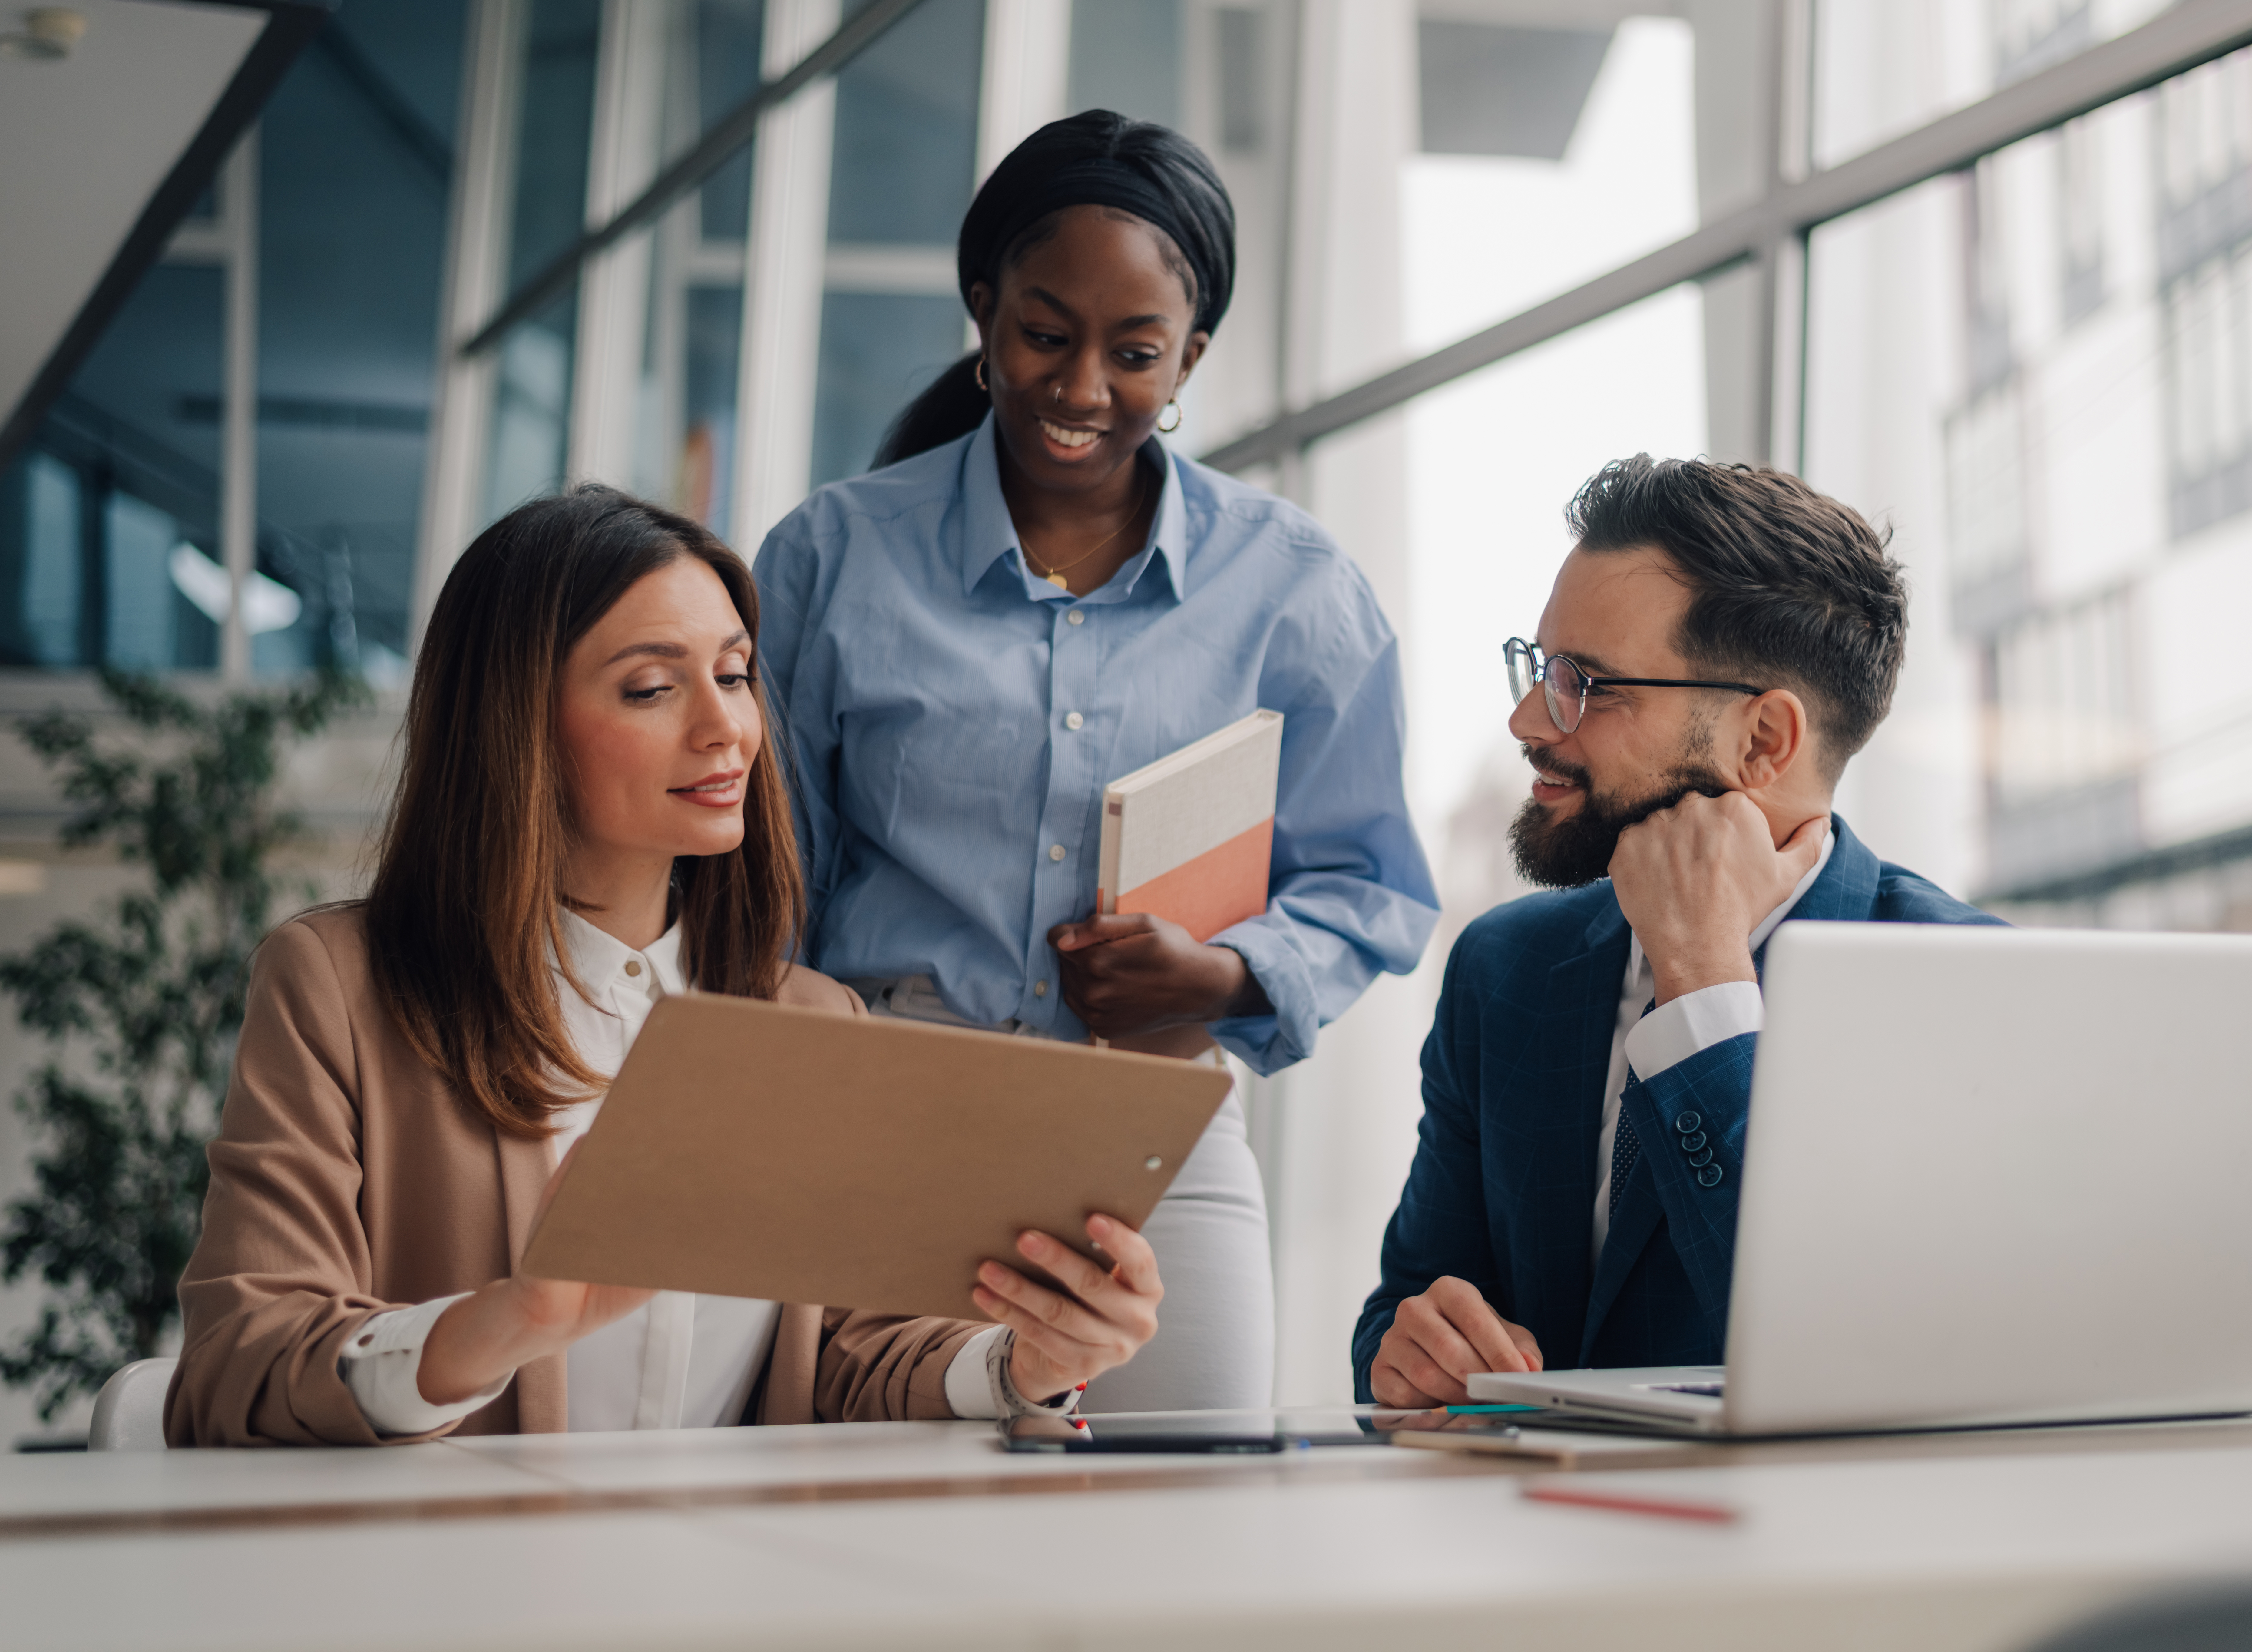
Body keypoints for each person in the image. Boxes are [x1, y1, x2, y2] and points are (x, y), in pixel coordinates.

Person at [167, 486, 1162, 1446]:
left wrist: (1023, 1362)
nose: (725, 727)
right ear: (516, 726)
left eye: (733, 674)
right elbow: (234, 1366)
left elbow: (848, 1357)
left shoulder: (812, 1019)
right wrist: (511, 1321)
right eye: (652, 687)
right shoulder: (338, 987)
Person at [757, 111, 1437, 1412]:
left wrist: (1228, 970)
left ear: (1191, 355)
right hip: (885, 1102)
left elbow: (1373, 883)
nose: (1080, 388)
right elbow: (765, 869)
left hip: (1149, 1129)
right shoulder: (833, 556)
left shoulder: (1295, 587)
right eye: (1044, 332)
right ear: (983, 309)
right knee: (872, 1535)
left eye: (1134, 353)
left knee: (1184, 1530)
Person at [1353, 457, 2002, 1406]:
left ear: (1764, 745)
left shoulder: (1962, 989)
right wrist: (1403, 1352)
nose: (1529, 718)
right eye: (1541, 669)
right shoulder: (1505, 969)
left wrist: (1701, 979)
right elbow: (1405, 1311)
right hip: (1522, 1538)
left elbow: (1862, 1365)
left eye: (1590, 684)